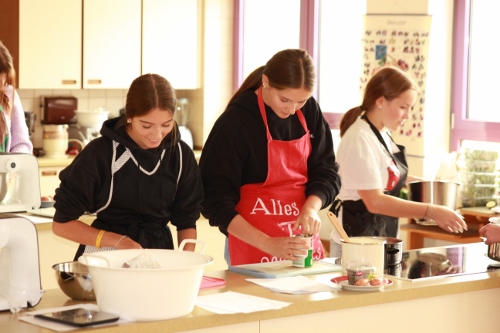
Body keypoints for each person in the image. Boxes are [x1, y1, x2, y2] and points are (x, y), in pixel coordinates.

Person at [199, 49, 341, 266]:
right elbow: (214, 200)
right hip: (252, 247)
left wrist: (311, 207)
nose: (292, 110)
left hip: (302, 245)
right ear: (266, 81)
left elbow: (326, 170)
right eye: (285, 99)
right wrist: (268, 244)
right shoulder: (236, 122)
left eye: (301, 101)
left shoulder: (310, 111)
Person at [52, 73, 203, 258]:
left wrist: (185, 261)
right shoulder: (101, 153)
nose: (156, 134)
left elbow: (186, 221)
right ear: (130, 116)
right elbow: (61, 224)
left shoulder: (180, 155)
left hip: (159, 255)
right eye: (146, 126)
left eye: (166, 124)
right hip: (104, 255)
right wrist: (118, 241)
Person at [330, 66, 467, 247]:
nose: (407, 116)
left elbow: (385, 175)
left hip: (378, 236)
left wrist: (424, 185)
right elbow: (375, 201)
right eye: (403, 107)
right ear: (380, 101)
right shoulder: (359, 140)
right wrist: (431, 211)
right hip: (355, 241)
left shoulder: (382, 133)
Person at [0, 41, 33, 153]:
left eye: (3, 82)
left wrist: (14, 165)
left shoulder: (9, 94)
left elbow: (21, 143)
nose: (2, 87)